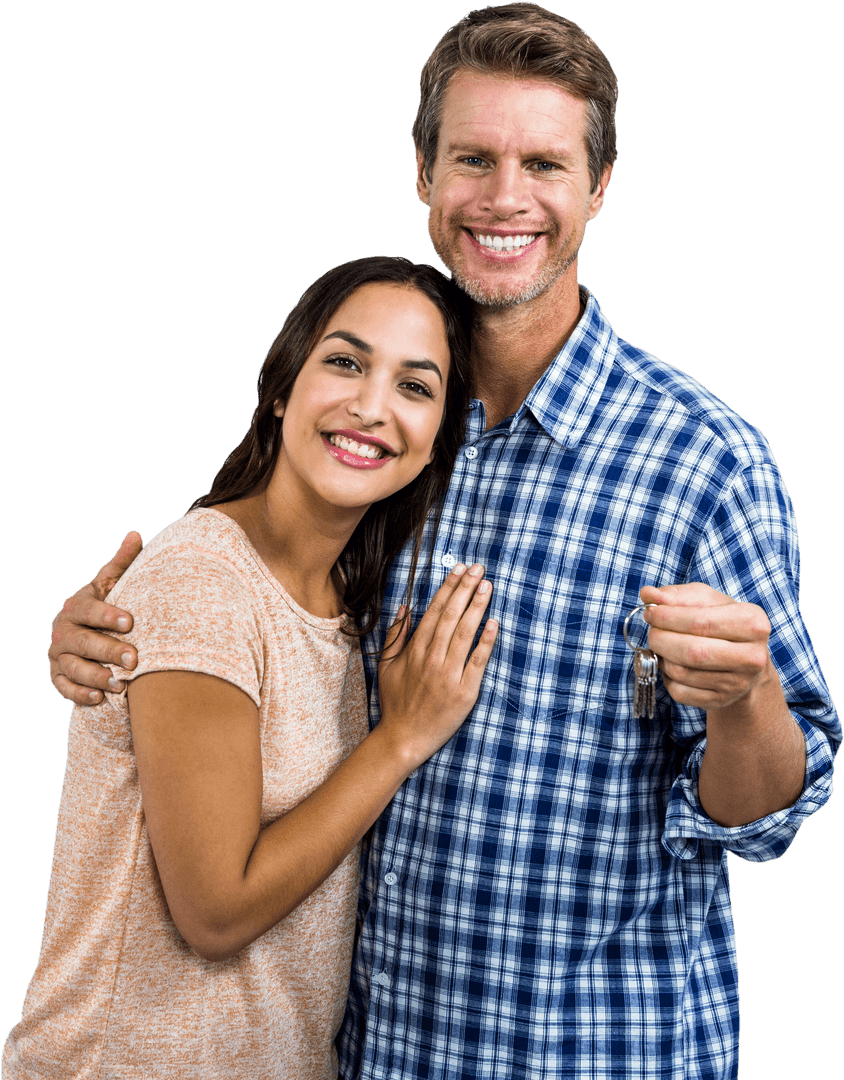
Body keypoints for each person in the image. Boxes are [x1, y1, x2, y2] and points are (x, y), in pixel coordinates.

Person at [45, 5, 840, 1079]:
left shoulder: (706, 463)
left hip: (598, 1056)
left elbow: (766, 817)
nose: (505, 197)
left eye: (544, 163)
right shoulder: (389, 441)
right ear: (424, 173)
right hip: (375, 1053)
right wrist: (119, 638)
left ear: (598, 188)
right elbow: (253, 604)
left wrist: (745, 703)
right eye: (472, 157)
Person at [4, 256, 500, 1080]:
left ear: (437, 443)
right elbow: (215, 910)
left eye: (416, 387)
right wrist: (402, 740)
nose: (372, 406)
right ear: (282, 389)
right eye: (344, 361)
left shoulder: (351, 607)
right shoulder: (206, 580)